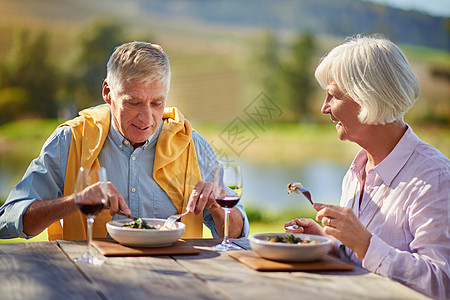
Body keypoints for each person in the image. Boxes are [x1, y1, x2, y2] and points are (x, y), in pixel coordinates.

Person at [0, 41, 249, 241]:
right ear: (108, 92)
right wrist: (76, 200)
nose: (147, 117)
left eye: (156, 103)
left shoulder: (192, 145)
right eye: (133, 102)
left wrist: (217, 207)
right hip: (88, 282)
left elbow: (237, 234)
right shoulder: (70, 140)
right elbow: (8, 220)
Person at [284, 34, 449, 299]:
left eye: (333, 96)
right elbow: (362, 263)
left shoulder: (435, 178)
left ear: (368, 97)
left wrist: (364, 242)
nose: (324, 108)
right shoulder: (357, 170)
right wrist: (329, 243)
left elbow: (441, 283)